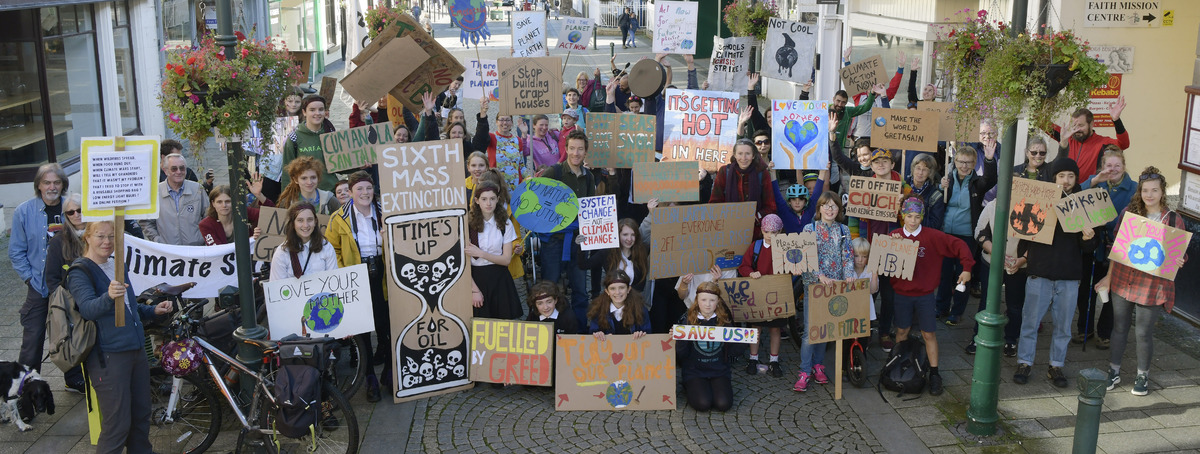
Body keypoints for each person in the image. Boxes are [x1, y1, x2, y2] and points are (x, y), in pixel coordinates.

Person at [68, 221, 173, 452]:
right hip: (108, 356)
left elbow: (129, 306)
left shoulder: (116, 264)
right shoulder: (80, 271)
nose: (107, 242)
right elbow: (87, 309)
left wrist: (151, 311)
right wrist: (108, 296)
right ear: (87, 237)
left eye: (112, 237)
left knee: (141, 414)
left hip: (135, 349)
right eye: (100, 236)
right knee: (117, 424)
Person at [1095, 167, 1187, 396]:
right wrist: (1108, 277)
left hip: (1153, 285)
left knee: (1143, 332)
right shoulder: (1129, 214)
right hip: (1124, 279)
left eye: (1154, 190)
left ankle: (1142, 376)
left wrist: (1179, 260)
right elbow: (1116, 249)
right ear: (1140, 191)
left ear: (1163, 192)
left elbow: (1179, 253)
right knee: (1119, 327)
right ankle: (1114, 371)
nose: (1149, 195)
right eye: (1145, 190)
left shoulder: (1174, 220)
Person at [1013, 158, 1097, 389]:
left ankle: (1056, 365)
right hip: (1040, 271)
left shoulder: (1083, 204)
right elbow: (1023, 234)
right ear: (1053, 178)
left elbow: (1089, 248)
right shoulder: (1040, 199)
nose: (1066, 181)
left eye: (1071, 176)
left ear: (1076, 179)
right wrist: (1023, 257)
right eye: (1062, 176)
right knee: (1030, 322)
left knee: (1063, 326)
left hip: (1069, 275)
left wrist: (1088, 237)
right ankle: (1024, 362)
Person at [888, 197, 975, 397]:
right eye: (909, 216)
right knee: (901, 331)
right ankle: (897, 366)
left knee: (929, 334)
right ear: (902, 216)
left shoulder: (932, 236)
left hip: (925, 294)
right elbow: (879, 260)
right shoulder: (894, 236)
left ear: (922, 217)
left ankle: (935, 373)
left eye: (917, 217)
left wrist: (967, 268)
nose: (912, 220)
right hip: (901, 293)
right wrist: (891, 246)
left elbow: (960, 245)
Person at [325, 171, 389, 402]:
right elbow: (333, 250)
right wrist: (346, 275)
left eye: (368, 188)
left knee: (385, 325)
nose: (365, 193)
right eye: (359, 189)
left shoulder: (384, 212)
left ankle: (389, 374)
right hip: (356, 274)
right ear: (350, 193)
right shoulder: (338, 218)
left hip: (382, 273)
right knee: (363, 330)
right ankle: (369, 376)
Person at [537, 130, 602, 326]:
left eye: (580, 149)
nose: (576, 153)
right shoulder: (554, 172)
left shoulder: (589, 177)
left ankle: (580, 329)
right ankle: (549, 329)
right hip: (554, 242)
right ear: (566, 149)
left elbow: (591, 209)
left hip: (579, 241)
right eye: (572, 148)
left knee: (581, 289)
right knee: (549, 287)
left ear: (585, 152)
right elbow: (536, 202)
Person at [11, 164, 68, 386]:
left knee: (70, 334)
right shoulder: (23, 212)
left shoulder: (72, 208)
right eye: (47, 182)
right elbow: (16, 251)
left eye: (57, 182)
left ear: (63, 185)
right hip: (38, 285)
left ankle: (72, 379)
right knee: (32, 341)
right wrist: (29, 278)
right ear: (39, 185)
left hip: (67, 285)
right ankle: (26, 392)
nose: (52, 187)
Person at [1077, 146, 1137, 350]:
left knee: (1111, 291)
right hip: (1092, 243)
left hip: (1117, 245)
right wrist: (1094, 180)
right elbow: (1074, 197)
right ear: (1103, 167)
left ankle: (1104, 332)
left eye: (1117, 165)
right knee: (1086, 288)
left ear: (1124, 166)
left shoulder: (1134, 189)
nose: (1113, 169)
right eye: (1108, 166)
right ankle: (1084, 328)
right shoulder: (1096, 184)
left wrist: (1110, 222)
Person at [794, 195, 856, 391]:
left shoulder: (844, 230)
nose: (830, 210)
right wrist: (819, 275)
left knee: (826, 329)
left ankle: (818, 366)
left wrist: (849, 276)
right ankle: (804, 371)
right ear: (819, 208)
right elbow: (805, 256)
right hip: (814, 286)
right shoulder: (809, 229)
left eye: (834, 206)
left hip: (835, 286)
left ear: (839, 210)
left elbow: (847, 256)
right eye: (826, 206)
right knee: (810, 331)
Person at [938, 146, 996, 326]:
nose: (964, 166)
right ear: (954, 162)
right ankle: (941, 306)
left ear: (974, 164)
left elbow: (990, 178)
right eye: (961, 161)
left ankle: (957, 311)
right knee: (944, 273)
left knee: (963, 274)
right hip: (946, 233)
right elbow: (938, 201)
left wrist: (989, 160)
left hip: (966, 236)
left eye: (968, 162)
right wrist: (941, 188)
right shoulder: (948, 181)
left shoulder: (977, 183)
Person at [39, 192, 87, 393]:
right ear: (65, 215)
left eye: (80, 210)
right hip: (70, 300)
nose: (76, 214)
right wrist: (63, 300)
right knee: (71, 338)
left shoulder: (99, 232)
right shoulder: (59, 242)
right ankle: (73, 378)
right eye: (71, 212)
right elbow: (50, 277)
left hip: (93, 296)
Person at [736, 214, 789, 376]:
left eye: (774, 233)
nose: (770, 236)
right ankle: (753, 358)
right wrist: (751, 273)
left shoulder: (785, 247)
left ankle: (774, 360)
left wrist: (795, 269)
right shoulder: (756, 246)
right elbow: (743, 265)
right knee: (755, 327)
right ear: (762, 231)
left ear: (780, 232)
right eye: (767, 232)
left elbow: (793, 263)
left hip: (777, 293)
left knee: (775, 328)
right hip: (758, 293)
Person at [676, 281, 737, 412]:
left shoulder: (724, 321)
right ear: (697, 300)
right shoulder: (688, 321)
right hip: (695, 371)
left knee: (723, 404)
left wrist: (746, 340)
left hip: (719, 370)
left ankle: (715, 386)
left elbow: (734, 351)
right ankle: (689, 386)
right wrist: (680, 339)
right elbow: (681, 354)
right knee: (703, 404)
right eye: (703, 300)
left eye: (712, 300)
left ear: (718, 301)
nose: (708, 304)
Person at [467, 182, 523, 320]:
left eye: (492, 199)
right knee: (481, 324)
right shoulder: (467, 224)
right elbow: (462, 263)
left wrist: (481, 253)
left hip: (500, 278)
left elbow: (506, 260)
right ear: (476, 200)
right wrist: (474, 290)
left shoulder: (505, 223)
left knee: (503, 323)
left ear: (498, 200)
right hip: (476, 277)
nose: (488, 203)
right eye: (484, 199)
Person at [1046, 98, 1130, 181]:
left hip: (1088, 190)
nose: (1077, 129)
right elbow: (1044, 124)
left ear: (1091, 124)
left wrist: (1116, 120)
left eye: (1081, 125)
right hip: (1067, 189)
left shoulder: (1102, 142)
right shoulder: (1067, 137)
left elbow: (1123, 144)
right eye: (1074, 125)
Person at [710, 138, 778, 235]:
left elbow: (771, 206)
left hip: (755, 231)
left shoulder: (762, 173)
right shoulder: (725, 172)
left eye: (748, 154)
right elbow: (714, 203)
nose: (744, 158)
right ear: (734, 154)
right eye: (740, 153)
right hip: (728, 229)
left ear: (753, 155)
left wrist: (757, 216)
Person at [142, 153, 209, 245]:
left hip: (196, 250)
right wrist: (157, 240)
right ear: (165, 171)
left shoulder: (197, 189)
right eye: (174, 169)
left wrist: (202, 238)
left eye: (182, 168)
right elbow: (146, 222)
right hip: (168, 252)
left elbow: (208, 216)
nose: (178, 172)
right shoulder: (155, 193)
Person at [269, 202, 339, 280]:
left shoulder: (326, 247)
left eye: (310, 220)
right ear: (293, 223)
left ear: (315, 221)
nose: (305, 225)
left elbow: (333, 281)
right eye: (300, 220)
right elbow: (277, 287)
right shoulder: (282, 252)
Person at [282, 95, 338, 191]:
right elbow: (287, 172)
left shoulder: (331, 134)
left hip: (331, 192)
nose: (317, 113)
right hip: (305, 196)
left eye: (321, 109)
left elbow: (341, 165)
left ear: (325, 112)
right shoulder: (294, 138)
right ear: (304, 112)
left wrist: (359, 165)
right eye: (312, 110)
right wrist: (286, 198)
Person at [472, 97, 528, 192]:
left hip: (516, 188)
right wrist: (483, 112)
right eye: (501, 120)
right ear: (496, 122)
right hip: (496, 186)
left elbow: (521, 165)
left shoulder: (517, 140)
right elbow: (481, 133)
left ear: (512, 123)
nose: (504, 123)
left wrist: (530, 177)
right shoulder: (492, 137)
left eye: (508, 120)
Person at [578, 218, 649, 293]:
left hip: (634, 299)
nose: (629, 239)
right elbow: (584, 265)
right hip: (613, 298)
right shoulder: (607, 252)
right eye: (625, 235)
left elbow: (641, 283)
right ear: (617, 235)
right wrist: (581, 246)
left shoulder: (641, 252)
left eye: (633, 235)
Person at [199, 182, 270, 246]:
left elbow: (272, 215)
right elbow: (217, 250)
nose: (224, 205)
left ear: (234, 202)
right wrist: (250, 239)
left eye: (228, 201)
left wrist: (259, 195)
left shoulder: (242, 213)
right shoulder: (206, 225)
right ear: (213, 203)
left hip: (249, 258)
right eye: (219, 202)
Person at [587, 271, 651, 340]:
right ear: (607, 291)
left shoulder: (640, 310)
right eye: (612, 288)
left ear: (628, 289)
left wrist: (641, 335)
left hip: (633, 349)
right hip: (607, 350)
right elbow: (592, 334)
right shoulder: (598, 310)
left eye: (622, 287)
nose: (617, 292)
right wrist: (598, 334)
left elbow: (648, 335)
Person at [905, 153, 944, 229]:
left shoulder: (935, 195)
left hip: (923, 236)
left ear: (930, 173)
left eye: (925, 170)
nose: (920, 173)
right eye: (918, 168)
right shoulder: (901, 188)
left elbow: (935, 224)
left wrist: (915, 218)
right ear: (913, 169)